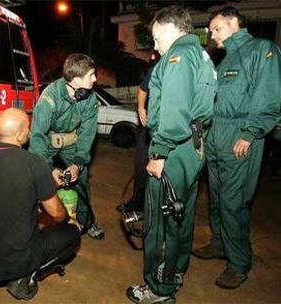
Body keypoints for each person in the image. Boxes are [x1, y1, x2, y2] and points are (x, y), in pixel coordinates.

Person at [126, 6, 217, 303]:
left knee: (160, 221)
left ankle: (158, 288)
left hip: (174, 150)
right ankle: (176, 270)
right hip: (193, 146)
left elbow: (174, 110)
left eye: (155, 37)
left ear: (169, 28)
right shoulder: (201, 55)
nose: (155, 46)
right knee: (181, 214)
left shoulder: (176, 58)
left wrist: (160, 151)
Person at [192, 6, 281, 289]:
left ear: (233, 24)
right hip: (217, 135)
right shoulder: (227, 57)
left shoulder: (261, 49)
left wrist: (250, 132)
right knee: (216, 197)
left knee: (234, 202)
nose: (213, 34)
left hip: (240, 137)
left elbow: (269, 97)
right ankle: (220, 243)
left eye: (216, 28)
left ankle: (238, 262)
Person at [0, 109, 81, 300]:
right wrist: (69, 221)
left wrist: (42, 186)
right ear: (21, 135)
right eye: (28, 128)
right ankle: (23, 277)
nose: (30, 132)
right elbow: (56, 214)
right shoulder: (34, 164)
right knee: (72, 234)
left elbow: (2, 197)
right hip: (16, 258)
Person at [29, 53, 105, 240]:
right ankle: (32, 224)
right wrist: (48, 168)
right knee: (38, 180)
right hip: (47, 142)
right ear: (76, 80)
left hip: (72, 143)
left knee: (82, 182)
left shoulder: (90, 98)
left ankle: (86, 221)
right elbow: (37, 137)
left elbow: (87, 133)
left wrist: (78, 163)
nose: (95, 79)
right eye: (91, 75)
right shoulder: (49, 98)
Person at [116, 53, 158, 214]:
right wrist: (141, 108)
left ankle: (153, 208)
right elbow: (142, 89)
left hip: (172, 128)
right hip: (151, 128)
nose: (154, 50)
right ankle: (137, 202)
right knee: (141, 165)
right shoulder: (157, 69)